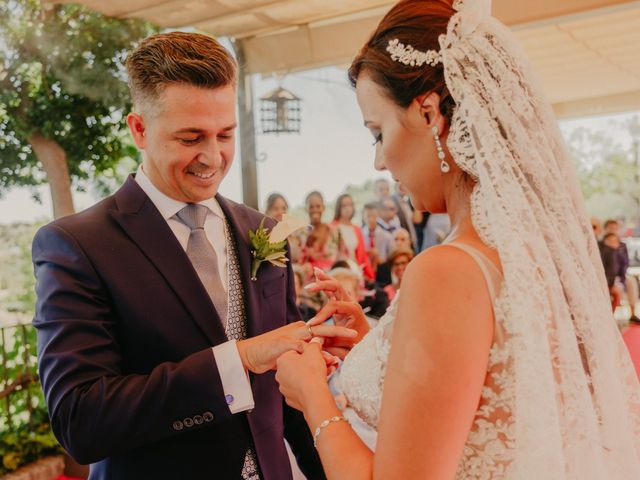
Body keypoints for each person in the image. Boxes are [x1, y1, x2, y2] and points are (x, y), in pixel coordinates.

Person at [274, 1, 640, 479]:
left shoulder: (448, 270)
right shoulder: (529, 258)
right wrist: (383, 342)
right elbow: (492, 387)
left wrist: (312, 397)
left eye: (378, 132)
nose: (379, 163)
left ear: (429, 113)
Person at [31, 32, 356, 480]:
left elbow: (289, 395)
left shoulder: (262, 232)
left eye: (225, 134)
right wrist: (238, 359)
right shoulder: (76, 245)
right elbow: (81, 421)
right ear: (139, 129)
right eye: (190, 137)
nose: (213, 157)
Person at [330, 194, 374, 280]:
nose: (348, 208)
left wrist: (369, 275)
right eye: (344, 205)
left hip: (356, 272)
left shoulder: (357, 229)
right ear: (339, 208)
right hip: (339, 272)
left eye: (350, 205)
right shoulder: (332, 227)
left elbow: (363, 255)